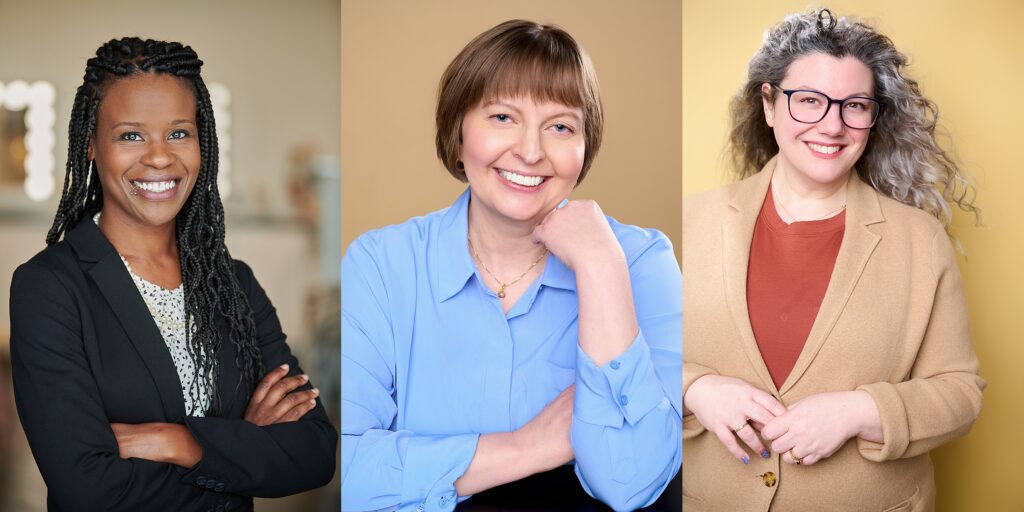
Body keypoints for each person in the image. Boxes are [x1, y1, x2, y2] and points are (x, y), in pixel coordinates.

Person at [341, 19, 681, 511]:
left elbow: (634, 483)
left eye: (560, 126)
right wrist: (531, 445)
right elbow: (346, 472)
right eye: (502, 117)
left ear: (584, 151)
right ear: (459, 135)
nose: (530, 151)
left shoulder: (642, 262)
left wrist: (602, 267)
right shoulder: (380, 264)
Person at [9, 38, 336, 511]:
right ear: (91, 146)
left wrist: (179, 443)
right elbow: (85, 487)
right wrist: (240, 447)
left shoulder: (233, 284)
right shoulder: (50, 287)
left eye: (179, 133)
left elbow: (314, 453)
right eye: (131, 135)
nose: (160, 157)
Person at [682, 9, 984, 511]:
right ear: (769, 103)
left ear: (873, 116)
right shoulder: (690, 221)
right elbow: (630, 356)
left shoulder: (920, 240)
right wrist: (696, 390)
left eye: (855, 105)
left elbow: (961, 393)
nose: (833, 125)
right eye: (809, 101)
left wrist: (862, 411)